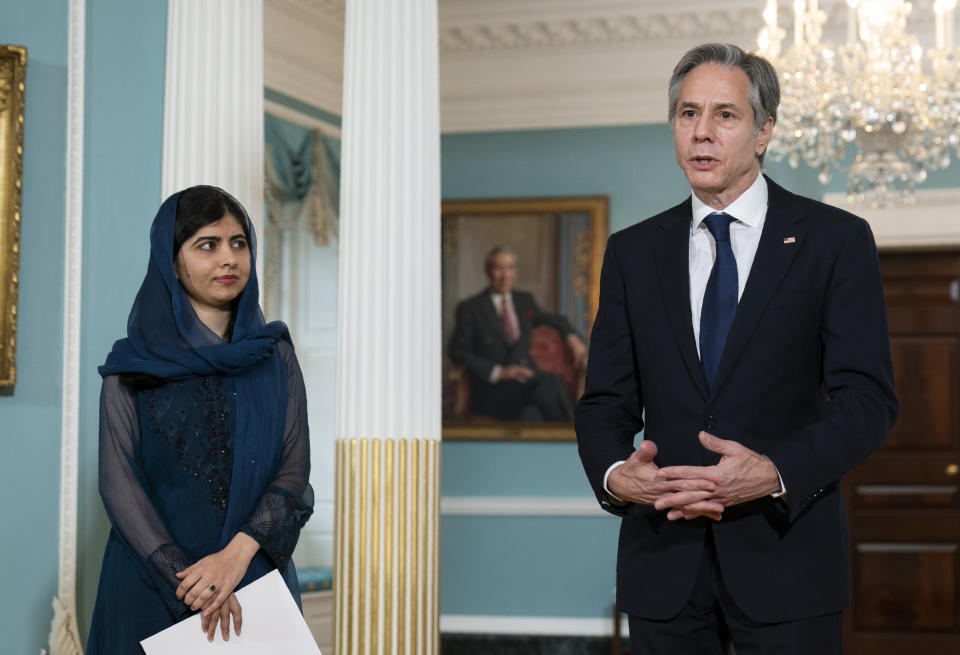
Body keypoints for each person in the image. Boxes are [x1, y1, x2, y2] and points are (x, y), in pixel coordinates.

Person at [576, 43, 897, 654]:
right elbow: (604, 404)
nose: (702, 132)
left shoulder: (835, 241)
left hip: (789, 561)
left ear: (763, 132)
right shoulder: (632, 253)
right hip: (662, 564)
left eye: (725, 115)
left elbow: (868, 402)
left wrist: (774, 472)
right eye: (687, 114)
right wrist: (620, 478)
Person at [87, 186, 314, 652]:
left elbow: (293, 469)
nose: (228, 259)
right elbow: (118, 485)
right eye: (207, 245)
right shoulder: (132, 368)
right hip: (152, 585)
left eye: (239, 242)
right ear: (171, 262)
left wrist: (235, 559)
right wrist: (194, 585)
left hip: (254, 580)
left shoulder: (274, 357)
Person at [448, 246, 587, 422]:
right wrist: (500, 372)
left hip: (526, 386)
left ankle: (573, 438)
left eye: (510, 268)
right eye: (499, 268)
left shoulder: (524, 301)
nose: (505, 275)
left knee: (531, 416)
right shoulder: (471, 308)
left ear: (515, 271)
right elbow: (458, 352)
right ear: (488, 271)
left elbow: (555, 320)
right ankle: (577, 436)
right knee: (549, 383)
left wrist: (572, 337)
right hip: (493, 390)